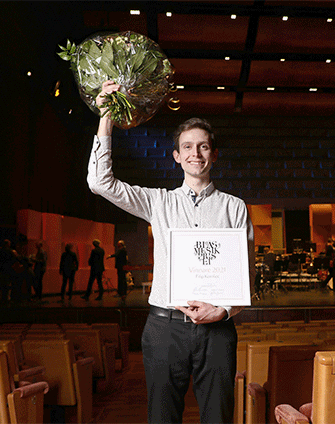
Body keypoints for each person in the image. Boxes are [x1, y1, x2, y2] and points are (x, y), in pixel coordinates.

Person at [87, 80, 254, 424]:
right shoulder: (158, 202)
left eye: (204, 146)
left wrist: (222, 311)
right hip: (165, 329)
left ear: (214, 154)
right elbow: (99, 183)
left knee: (218, 419)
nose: (196, 153)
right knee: (161, 419)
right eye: (188, 147)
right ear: (177, 156)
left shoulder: (235, 208)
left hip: (218, 331)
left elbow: (245, 280)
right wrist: (106, 117)